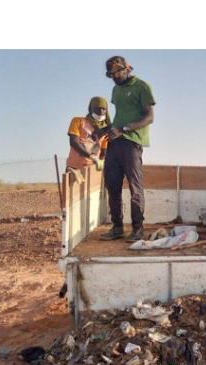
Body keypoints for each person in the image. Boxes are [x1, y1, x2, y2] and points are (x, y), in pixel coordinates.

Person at [95, 56, 155, 242]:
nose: (115, 76)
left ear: (126, 68)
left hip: (132, 142)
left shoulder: (141, 86)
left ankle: (137, 228)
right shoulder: (116, 89)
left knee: (135, 187)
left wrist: (124, 129)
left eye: (117, 72)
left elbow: (149, 118)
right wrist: (104, 130)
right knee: (112, 186)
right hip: (114, 142)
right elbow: (120, 117)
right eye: (111, 74)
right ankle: (117, 227)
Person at [66, 96, 110, 181]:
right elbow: (74, 142)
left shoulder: (105, 130)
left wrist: (101, 162)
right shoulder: (78, 121)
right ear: (91, 109)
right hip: (74, 168)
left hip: (92, 170)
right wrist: (91, 156)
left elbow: (103, 152)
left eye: (103, 109)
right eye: (97, 108)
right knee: (71, 193)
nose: (100, 112)